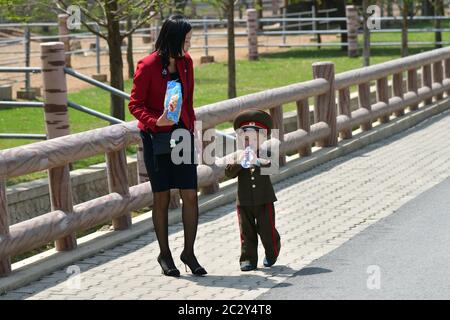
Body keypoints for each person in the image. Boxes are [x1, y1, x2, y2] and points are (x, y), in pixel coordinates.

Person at [128, 14, 206, 277]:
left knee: (190, 194)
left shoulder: (186, 64)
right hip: (156, 138)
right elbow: (135, 104)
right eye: (186, 40)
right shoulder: (148, 65)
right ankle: (165, 254)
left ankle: (189, 253)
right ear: (173, 40)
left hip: (182, 136)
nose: (189, 45)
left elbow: (189, 102)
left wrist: (191, 128)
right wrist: (155, 121)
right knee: (161, 197)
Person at [225, 109, 281, 271]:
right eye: (246, 138)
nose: (250, 141)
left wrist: (257, 161)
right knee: (246, 231)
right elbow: (228, 173)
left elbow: (273, 166)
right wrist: (240, 162)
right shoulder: (238, 155)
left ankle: (272, 252)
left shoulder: (266, 153)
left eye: (255, 138)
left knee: (266, 230)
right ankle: (248, 259)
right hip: (244, 201)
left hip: (264, 199)